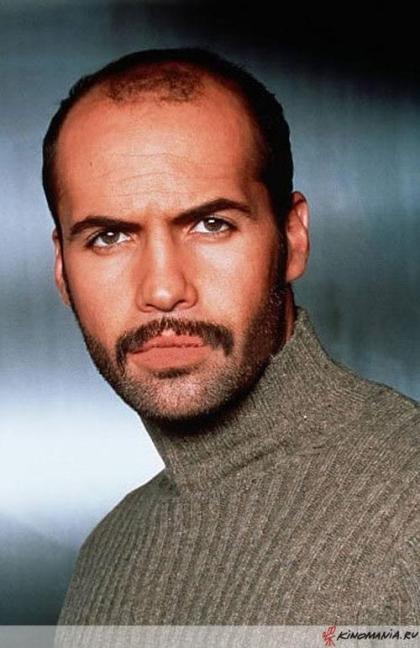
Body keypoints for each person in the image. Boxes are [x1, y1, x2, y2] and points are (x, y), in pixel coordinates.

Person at [43, 47, 419, 625]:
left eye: (210, 224)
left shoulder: (407, 507)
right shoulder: (107, 557)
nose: (163, 289)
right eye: (109, 237)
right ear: (62, 270)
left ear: (292, 239)